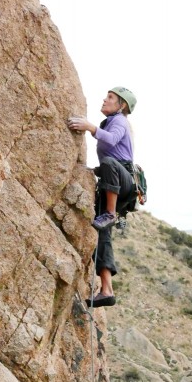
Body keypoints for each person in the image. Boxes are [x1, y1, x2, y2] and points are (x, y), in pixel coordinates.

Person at [67, 87, 137, 307]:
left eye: (111, 98)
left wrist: (90, 127)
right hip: (116, 181)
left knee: (108, 164)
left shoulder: (119, 121)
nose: (105, 100)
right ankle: (106, 289)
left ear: (122, 105)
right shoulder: (111, 121)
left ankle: (109, 212)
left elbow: (112, 141)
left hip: (124, 180)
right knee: (102, 234)